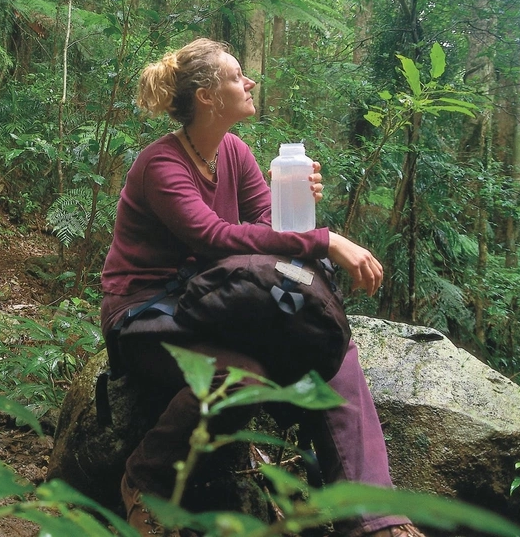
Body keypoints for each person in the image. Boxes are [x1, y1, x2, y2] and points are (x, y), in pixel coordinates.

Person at [102, 38, 424, 537]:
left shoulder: (233, 151)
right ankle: (144, 480)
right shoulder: (161, 164)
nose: (249, 82)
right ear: (207, 96)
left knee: (329, 345)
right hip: (150, 312)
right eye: (236, 76)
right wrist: (326, 240)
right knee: (241, 376)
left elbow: (266, 225)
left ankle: (376, 521)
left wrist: (296, 201)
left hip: (217, 301)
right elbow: (213, 237)